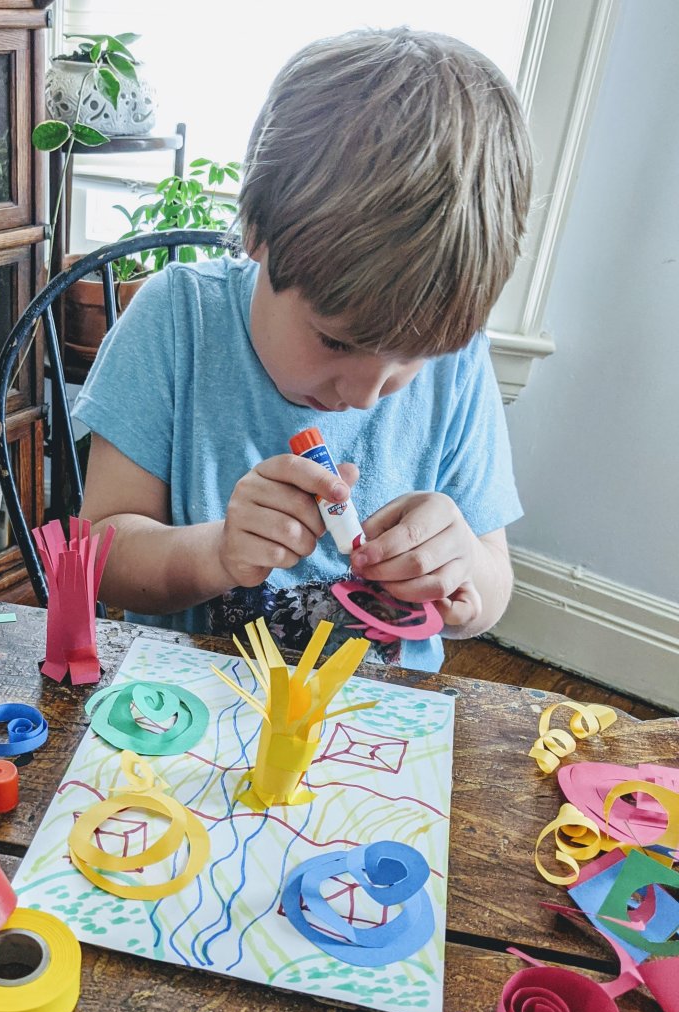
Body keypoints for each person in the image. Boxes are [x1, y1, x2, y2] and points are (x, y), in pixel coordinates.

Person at [76, 26, 532, 671]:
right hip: (188, 704)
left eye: (412, 359)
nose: (367, 394)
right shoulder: (176, 322)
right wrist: (217, 553)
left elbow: (492, 590)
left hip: (378, 717)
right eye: (336, 340)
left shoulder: (459, 363)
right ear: (258, 229)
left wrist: (461, 574)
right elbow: (99, 554)